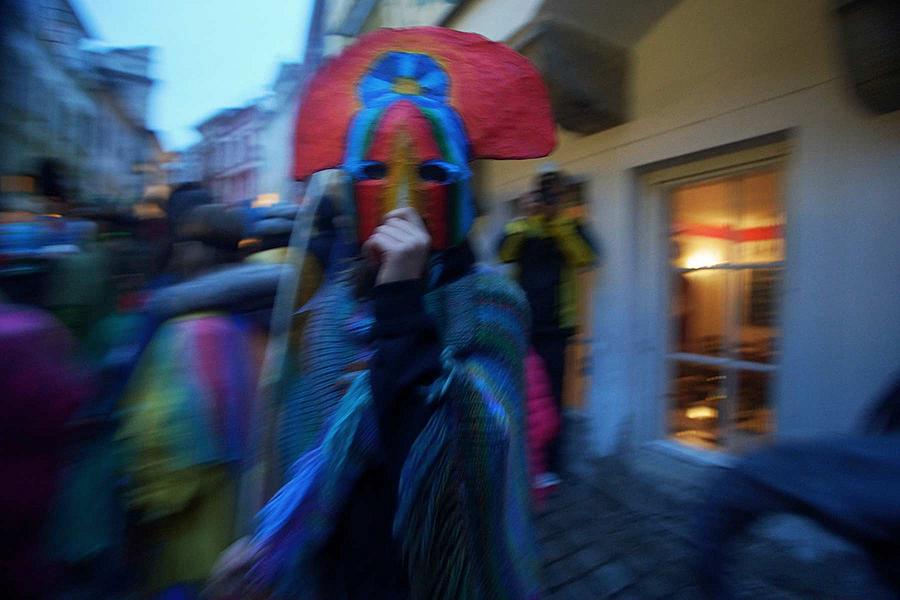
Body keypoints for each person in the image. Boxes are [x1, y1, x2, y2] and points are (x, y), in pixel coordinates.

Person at [207, 26, 557, 600]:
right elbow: (299, 456)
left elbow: (467, 467)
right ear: (349, 188)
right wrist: (266, 550)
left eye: (430, 172)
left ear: (462, 189)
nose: (399, 195)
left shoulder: (491, 306)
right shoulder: (330, 310)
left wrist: (402, 304)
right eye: (372, 172)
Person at [498, 169, 597, 481]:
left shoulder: (573, 226)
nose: (551, 199)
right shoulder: (522, 227)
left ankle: (552, 467)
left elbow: (587, 258)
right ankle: (522, 460)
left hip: (557, 328)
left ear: (564, 197)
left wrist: (559, 222)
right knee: (518, 393)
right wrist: (526, 219)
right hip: (522, 326)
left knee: (553, 397)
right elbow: (502, 254)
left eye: (557, 193)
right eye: (546, 193)